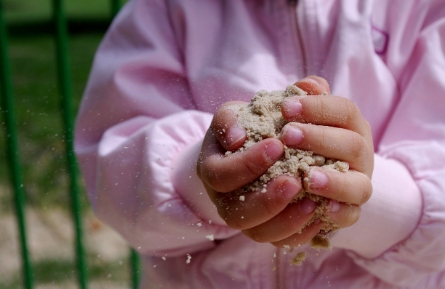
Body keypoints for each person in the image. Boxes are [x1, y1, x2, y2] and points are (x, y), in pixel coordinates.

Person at [74, 0, 445, 288]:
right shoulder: (167, 9)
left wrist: (356, 191)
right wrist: (207, 179)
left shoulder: (425, 11)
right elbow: (114, 175)